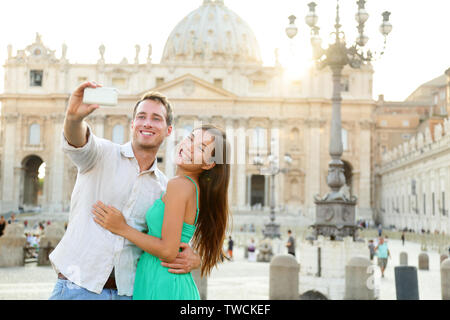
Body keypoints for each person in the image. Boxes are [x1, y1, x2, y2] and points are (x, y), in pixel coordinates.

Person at [48, 81, 200, 300]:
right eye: (141, 116)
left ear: (168, 131)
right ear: (132, 124)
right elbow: (77, 141)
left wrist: (197, 257)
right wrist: (73, 118)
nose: (147, 123)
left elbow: (172, 237)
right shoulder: (100, 155)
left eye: (156, 118)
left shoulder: (165, 187)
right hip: (78, 287)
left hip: (127, 293)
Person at [92, 125, 230, 299]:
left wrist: (122, 228)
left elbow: (168, 250)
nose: (189, 147)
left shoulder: (179, 185)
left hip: (162, 280)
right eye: (191, 138)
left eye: (201, 148)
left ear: (209, 163)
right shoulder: (190, 187)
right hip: (164, 278)